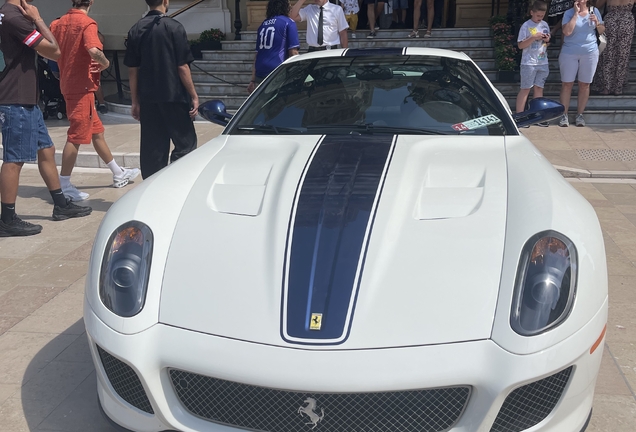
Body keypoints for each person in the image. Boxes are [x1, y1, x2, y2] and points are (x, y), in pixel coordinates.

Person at [0, 0, 92, 237]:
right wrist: (38, 19)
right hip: (17, 97)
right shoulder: (16, 18)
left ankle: (61, 205)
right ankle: (7, 219)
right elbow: (54, 49)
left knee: (46, 149)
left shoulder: (4, 14)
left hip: (22, 96)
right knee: (15, 159)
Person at [51, 0, 140, 201]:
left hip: (70, 84)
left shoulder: (57, 23)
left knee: (96, 132)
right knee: (76, 136)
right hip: (82, 87)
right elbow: (93, 49)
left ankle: (118, 172)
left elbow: (45, 48)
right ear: (91, 2)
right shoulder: (87, 23)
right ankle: (63, 185)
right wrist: (105, 63)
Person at [124, 0, 199, 179]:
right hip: (174, 95)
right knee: (186, 144)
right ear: (165, 1)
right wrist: (194, 95)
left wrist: (135, 101)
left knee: (153, 150)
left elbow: (133, 70)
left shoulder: (135, 29)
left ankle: (153, 188)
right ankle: (178, 179)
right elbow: (182, 66)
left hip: (148, 98)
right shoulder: (174, 27)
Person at [558, 0, 605, 127]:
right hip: (570, 51)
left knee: (585, 84)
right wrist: (575, 14)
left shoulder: (594, 11)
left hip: (589, 52)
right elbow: (567, 32)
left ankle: (580, 115)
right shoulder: (568, 13)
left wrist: (597, 23)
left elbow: (601, 31)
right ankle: (564, 115)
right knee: (567, 84)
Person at [248, 0, 299, 93]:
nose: (291, 6)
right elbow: (293, 52)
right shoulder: (288, 22)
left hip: (260, 70)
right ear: (284, 6)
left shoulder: (263, 25)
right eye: (289, 4)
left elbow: (257, 54)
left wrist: (252, 79)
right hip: (277, 71)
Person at [516, 0, 551, 125]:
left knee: (539, 88)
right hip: (528, 62)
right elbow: (520, 45)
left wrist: (546, 39)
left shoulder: (545, 24)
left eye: (542, 16)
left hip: (542, 61)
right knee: (525, 89)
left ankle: (538, 116)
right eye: (538, 16)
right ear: (532, 12)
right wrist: (533, 37)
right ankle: (520, 116)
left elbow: (547, 43)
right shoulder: (526, 26)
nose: (540, 18)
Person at [592, 0, 635, 95]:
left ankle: (606, 87)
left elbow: (597, 5)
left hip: (611, 20)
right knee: (623, 54)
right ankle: (618, 87)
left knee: (608, 53)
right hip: (627, 21)